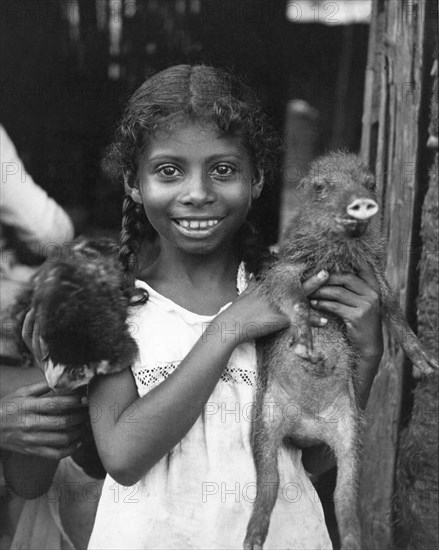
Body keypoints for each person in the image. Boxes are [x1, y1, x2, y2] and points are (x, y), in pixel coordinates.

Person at [29, 65, 383, 549]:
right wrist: (230, 328)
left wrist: (363, 358)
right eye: (168, 170)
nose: (197, 193)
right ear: (133, 181)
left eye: (223, 170)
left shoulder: (291, 293)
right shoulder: (113, 302)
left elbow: (308, 457)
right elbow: (124, 456)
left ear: (256, 178)